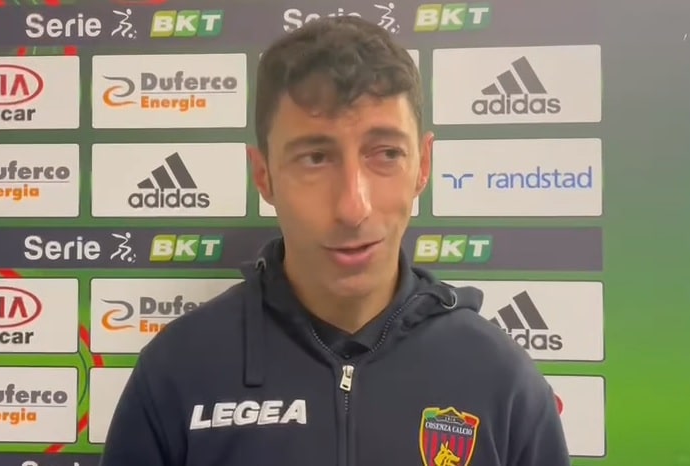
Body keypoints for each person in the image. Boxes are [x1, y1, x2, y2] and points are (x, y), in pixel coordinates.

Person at [98, 15, 570, 466]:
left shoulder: (501, 381)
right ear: (263, 176)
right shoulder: (179, 371)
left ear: (423, 165)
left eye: (385, 154)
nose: (352, 207)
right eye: (316, 158)